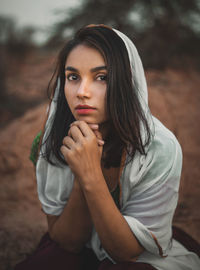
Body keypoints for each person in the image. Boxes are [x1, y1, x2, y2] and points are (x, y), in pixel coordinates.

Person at [15, 24, 200, 270]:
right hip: (85, 247)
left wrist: (91, 173)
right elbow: (68, 242)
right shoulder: (50, 141)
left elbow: (127, 253)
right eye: (73, 77)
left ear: (126, 82)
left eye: (101, 77)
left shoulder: (159, 148)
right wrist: (81, 175)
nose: (82, 92)